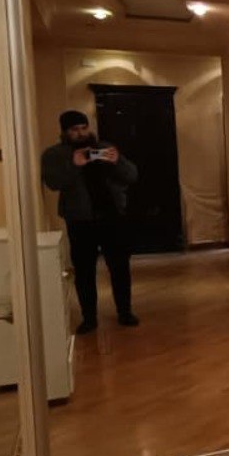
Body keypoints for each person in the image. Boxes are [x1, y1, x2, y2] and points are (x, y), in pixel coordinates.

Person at [41, 110, 140, 333]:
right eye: (74, 129)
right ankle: (89, 318)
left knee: (120, 267)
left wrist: (116, 161)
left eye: (84, 128)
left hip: (112, 217)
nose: (81, 133)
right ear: (65, 132)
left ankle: (125, 312)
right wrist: (74, 164)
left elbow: (132, 175)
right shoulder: (54, 154)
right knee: (84, 270)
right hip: (80, 220)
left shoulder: (103, 148)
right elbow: (53, 183)